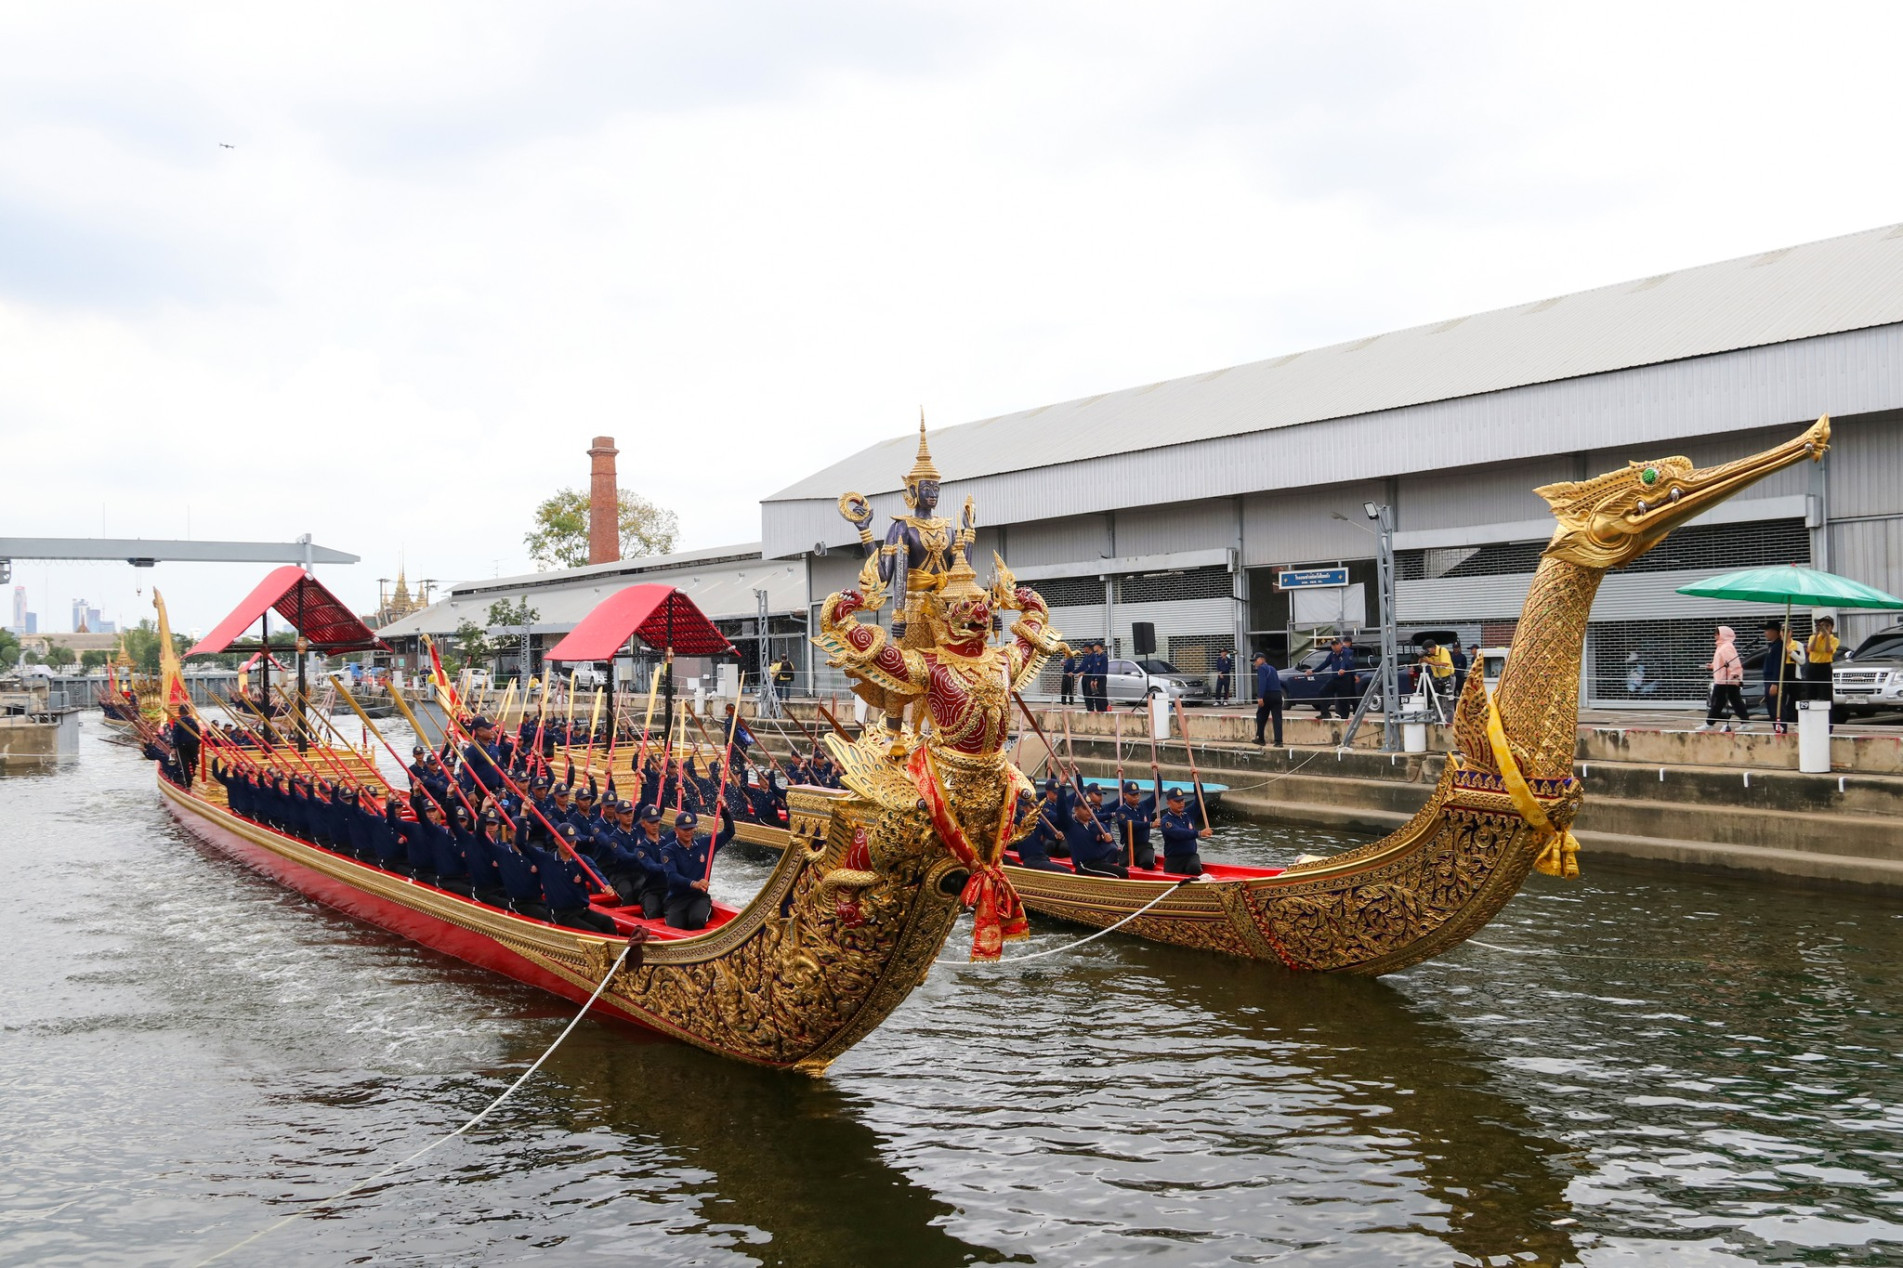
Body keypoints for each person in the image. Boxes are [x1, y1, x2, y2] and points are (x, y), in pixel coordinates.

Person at [528, 825, 620, 933]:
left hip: (581, 910)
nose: (571, 844)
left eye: (573, 841)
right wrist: (524, 814)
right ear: (557, 841)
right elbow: (521, 843)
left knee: (607, 922)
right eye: (567, 841)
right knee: (593, 931)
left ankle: (618, 949)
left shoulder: (582, 860)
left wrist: (605, 885)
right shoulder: (546, 860)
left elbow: (596, 874)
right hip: (560, 914)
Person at [660, 807, 736, 931]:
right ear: (676, 830)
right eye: (684, 829)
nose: (688, 832)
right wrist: (693, 883)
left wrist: (724, 811)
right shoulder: (668, 851)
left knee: (696, 920)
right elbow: (672, 876)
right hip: (677, 899)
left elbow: (729, 832)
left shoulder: (706, 844)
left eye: (691, 828)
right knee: (675, 927)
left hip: (698, 898)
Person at [1062, 800, 1126, 879]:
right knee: (1118, 875)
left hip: (1099, 862)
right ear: (1076, 809)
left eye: (1091, 807)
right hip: (1084, 865)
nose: (1089, 811)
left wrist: (1107, 837)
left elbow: (1107, 835)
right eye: (1085, 808)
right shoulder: (1070, 826)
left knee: (1124, 871)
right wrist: (1062, 788)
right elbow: (1061, 810)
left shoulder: (1096, 825)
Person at [1158, 787, 1214, 876]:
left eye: (1182, 800)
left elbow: (1199, 799)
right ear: (1168, 803)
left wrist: (1197, 783)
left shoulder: (1188, 814)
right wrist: (1199, 833)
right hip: (1174, 860)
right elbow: (1179, 833)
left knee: (1194, 868)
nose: (1181, 803)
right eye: (1177, 801)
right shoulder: (1166, 821)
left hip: (1190, 857)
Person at [1702, 625, 1747, 732]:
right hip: (1724, 679)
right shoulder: (1721, 647)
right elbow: (1722, 662)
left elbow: (1733, 662)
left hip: (1726, 680)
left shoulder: (1726, 647)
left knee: (1717, 702)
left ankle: (1709, 723)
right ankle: (1746, 722)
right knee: (1735, 702)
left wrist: (1735, 676)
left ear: (1723, 635)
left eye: (1717, 633)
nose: (1715, 636)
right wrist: (1713, 666)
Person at [1011, 791, 1070, 872]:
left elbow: (1052, 835)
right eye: (1031, 808)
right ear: (1024, 808)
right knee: (1066, 871)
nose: (1034, 810)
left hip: (1042, 858)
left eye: (1036, 807)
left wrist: (1058, 835)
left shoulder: (1039, 822)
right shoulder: (1019, 823)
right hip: (1031, 861)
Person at [1108, 780, 1157, 870]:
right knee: (1122, 868)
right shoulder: (1121, 811)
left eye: (1137, 794)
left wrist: (1156, 775)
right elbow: (1131, 824)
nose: (1136, 797)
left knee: (1148, 862)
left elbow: (1157, 794)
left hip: (1144, 846)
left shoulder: (1145, 806)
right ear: (1125, 795)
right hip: (1129, 847)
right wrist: (1150, 824)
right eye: (1133, 795)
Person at [1759, 620, 1798, 733]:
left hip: (1774, 680)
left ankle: (1781, 729)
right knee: (1771, 708)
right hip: (1768, 680)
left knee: (1777, 707)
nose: (1765, 633)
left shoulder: (1779, 646)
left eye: (1767, 630)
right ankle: (1776, 729)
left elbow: (1778, 666)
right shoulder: (1772, 646)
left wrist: (1775, 683)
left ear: (1774, 631)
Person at [1317, 638, 1357, 720]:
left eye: (1336, 644)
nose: (1334, 646)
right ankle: (1325, 713)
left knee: (1343, 698)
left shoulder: (1346, 652)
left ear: (1341, 644)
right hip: (1335, 678)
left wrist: (1342, 669)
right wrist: (1313, 671)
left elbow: (1345, 661)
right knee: (1322, 692)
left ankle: (1344, 717)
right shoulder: (1332, 654)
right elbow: (1325, 664)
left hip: (1345, 679)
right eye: (1333, 645)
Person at [1805, 616, 1840, 702]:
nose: (1824, 628)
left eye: (1827, 626)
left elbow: (1828, 650)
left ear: (1832, 627)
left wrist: (1827, 636)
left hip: (1824, 667)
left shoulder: (1834, 640)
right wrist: (1817, 634)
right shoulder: (1813, 637)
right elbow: (1811, 649)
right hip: (1813, 666)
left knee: (1826, 693)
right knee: (1810, 692)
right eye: (1822, 625)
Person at [1417, 640, 1454, 721]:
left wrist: (1430, 661)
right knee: (1437, 700)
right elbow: (1420, 666)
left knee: (1449, 701)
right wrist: (1421, 658)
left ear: (1433, 648)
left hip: (1448, 678)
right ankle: (1438, 720)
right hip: (1436, 679)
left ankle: (1449, 721)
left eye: (1428, 650)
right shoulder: (1429, 655)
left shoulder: (1442, 650)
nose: (1428, 652)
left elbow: (1445, 664)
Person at [1252, 652, 1283, 746]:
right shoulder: (1273, 668)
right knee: (1277, 718)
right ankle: (1278, 741)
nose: (1255, 663)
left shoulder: (1262, 668)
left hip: (1268, 695)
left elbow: (1262, 683)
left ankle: (1260, 738)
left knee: (1261, 716)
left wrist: (1260, 697)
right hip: (1277, 694)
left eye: (1256, 660)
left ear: (1262, 659)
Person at [170, 703, 202, 789]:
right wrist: (198, 744)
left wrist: (173, 748)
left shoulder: (178, 722)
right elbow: (198, 734)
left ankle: (188, 784)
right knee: (195, 762)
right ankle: (197, 780)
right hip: (193, 744)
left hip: (182, 746)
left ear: (180, 712)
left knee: (184, 765)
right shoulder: (193, 721)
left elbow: (175, 736)